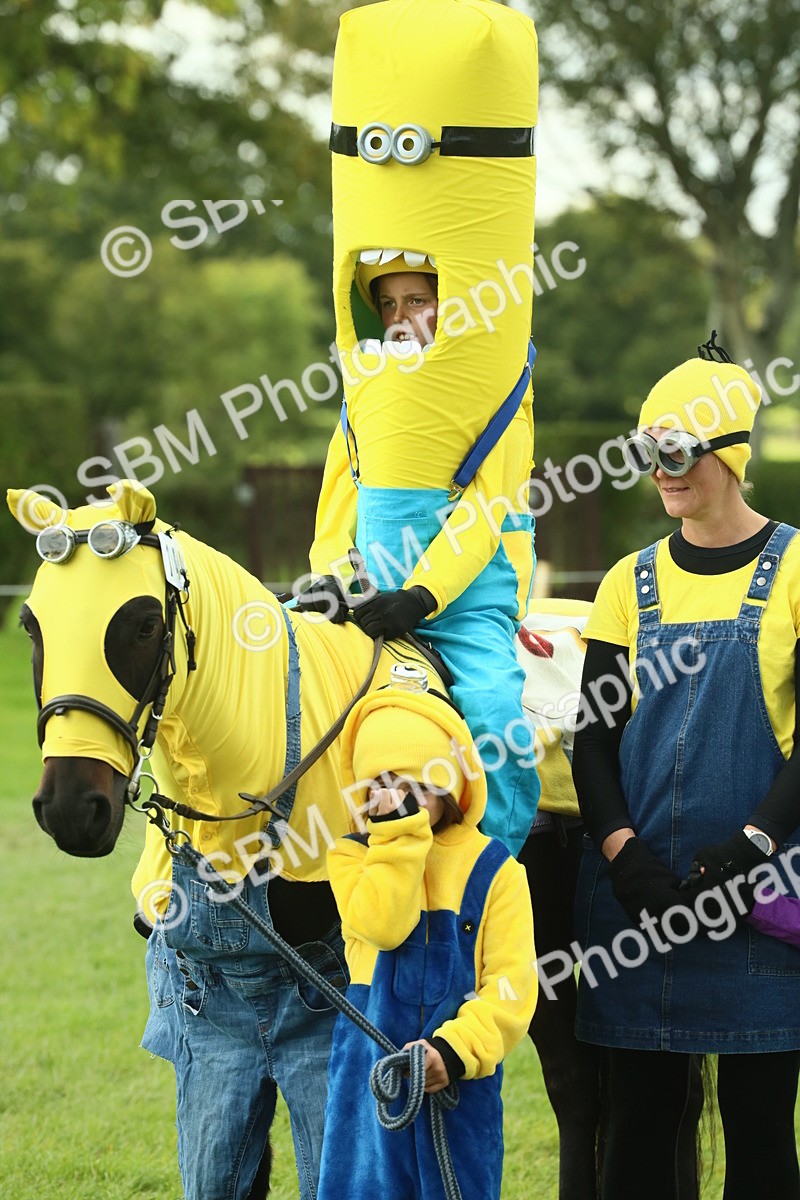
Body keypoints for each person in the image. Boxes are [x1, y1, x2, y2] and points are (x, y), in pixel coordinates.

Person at [571, 337, 800, 1200]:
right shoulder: (626, 584)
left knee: (760, 1126)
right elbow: (594, 741)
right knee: (638, 1124)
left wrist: (749, 850)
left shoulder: (796, 569)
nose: (661, 473)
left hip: (762, 899)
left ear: (729, 454)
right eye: (648, 452)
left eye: (676, 452)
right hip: (640, 903)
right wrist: (625, 858)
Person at [298, 254, 540, 860]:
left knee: (494, 717)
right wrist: (336, 580)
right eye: (388, 304)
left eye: (418, 301)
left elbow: (482, 515)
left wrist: (421, 596)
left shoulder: (502, 399)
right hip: (369, 604)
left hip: (464, 607)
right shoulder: (364, 397)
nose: (400, 318)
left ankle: (489, 870)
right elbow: (338, 506)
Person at [317, 680, 537, 1200]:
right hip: (368, 1077)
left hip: (458, 1085)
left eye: (416, 784)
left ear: (450, 784)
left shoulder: (497, 871)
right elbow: (384, 926)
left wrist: (454, 1052)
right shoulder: (352, 858)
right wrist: (397, 838)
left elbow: (512, 987)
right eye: (382, 784)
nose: (397, 798)